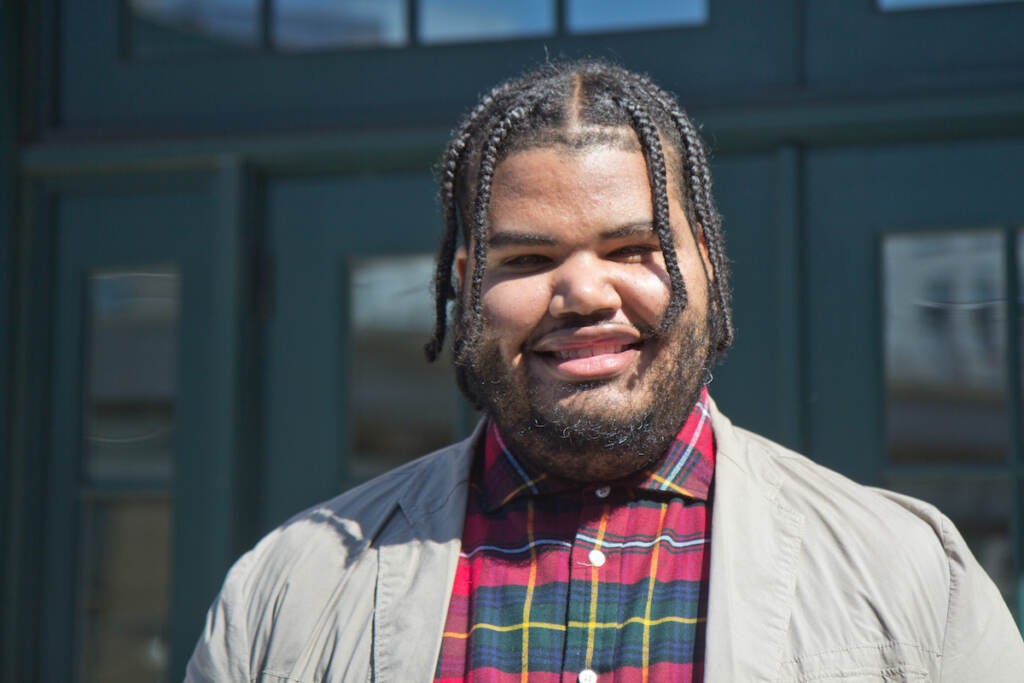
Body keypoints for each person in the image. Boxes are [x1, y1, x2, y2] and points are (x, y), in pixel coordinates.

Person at [185, 60, 1024, 682]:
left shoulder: (914, 576)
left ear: (708, 267)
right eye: (529, 257)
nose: (584, 291)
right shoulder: (285, 590)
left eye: (633, 248)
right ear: (463, 280)